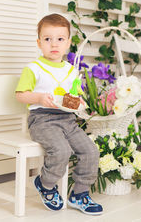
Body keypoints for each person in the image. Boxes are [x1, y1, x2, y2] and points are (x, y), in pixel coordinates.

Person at [15, 13, 103, 215]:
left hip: (68, 120)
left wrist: (80, 102)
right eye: (47, 39)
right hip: (43, 120)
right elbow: (21, 95)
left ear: (68, 43)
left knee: (90, 151)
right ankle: (45, 184)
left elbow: (76, 95)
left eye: (60, 39)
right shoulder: (33, 68)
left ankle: (79, 194)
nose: (54, 44)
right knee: (61, 151)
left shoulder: (71, 70)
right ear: (39, 42)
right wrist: (38, 98)